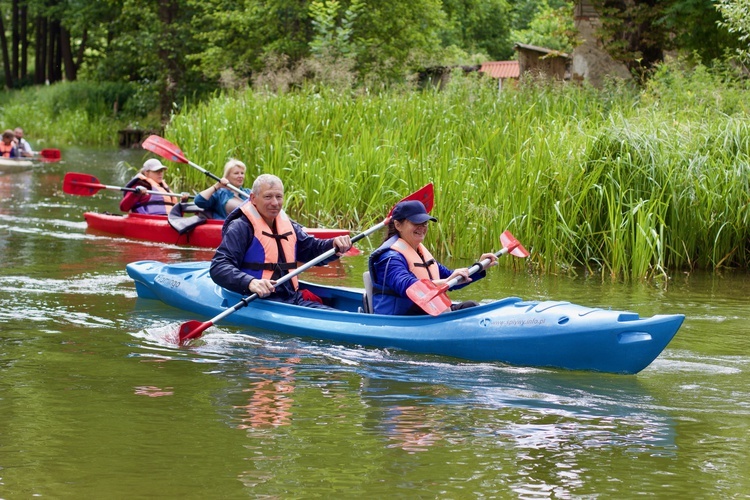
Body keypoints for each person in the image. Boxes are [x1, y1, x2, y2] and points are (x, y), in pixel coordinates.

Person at [210, 173, 352, 309]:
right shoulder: (240, 227)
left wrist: (333, 245)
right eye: (268, 197)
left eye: (279, 197)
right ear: (253, 198)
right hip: (256, 300)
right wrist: (250, 282)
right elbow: (219, 267)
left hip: (291, 298)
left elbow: (311, 249)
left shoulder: (288, 226)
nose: (275, 203)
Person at [368, 200, 498, 315]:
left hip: (427, 313)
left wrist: (479, 267)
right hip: (402, 318)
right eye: (416, 222)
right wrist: (446, 281)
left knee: (471, 306)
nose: (422, 227)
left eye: (424, 223)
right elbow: (407, 286)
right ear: (398, 225)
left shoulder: (420, 253)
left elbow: (449, 276)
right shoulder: (389, 258)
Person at [119, 158, 189, 215]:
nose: (160, 173)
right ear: (146, 173)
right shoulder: (138, 186)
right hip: (146, 221)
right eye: (156, 171)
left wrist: (183, 202)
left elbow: (177, 214)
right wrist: (135, 194)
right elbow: (124, 208)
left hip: (169, 221)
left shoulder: (165, 190)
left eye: (161, 171)